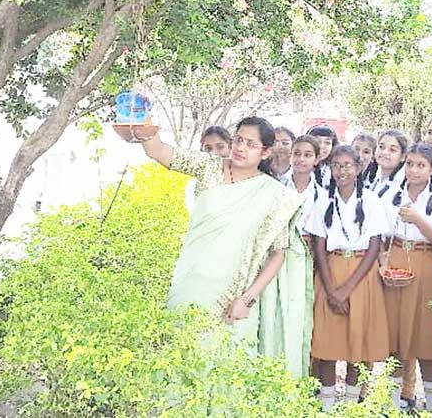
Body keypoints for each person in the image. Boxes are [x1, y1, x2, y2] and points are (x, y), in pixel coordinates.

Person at [126, 116, 312, 377]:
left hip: (235, 297)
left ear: (265, 152)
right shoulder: (209, 167)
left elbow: (278, 254)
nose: (240, 148)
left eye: (250, 144)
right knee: (180, 364)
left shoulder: (275, 195)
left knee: (227, 373)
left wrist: (247, 299)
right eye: (238, 140)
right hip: (191, 286)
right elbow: (159, 151)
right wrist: (144, 129)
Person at [307, 145, 390, 411]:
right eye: (336, 165)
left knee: (358, 344)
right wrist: (331, 290)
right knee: (327, 343)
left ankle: (351, 405)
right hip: (330, 272)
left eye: (347, 165)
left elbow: (374, 247)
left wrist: (346, 290)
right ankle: (327, 405)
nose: (341, 171)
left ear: (358, 168)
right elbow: (319, 246)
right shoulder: (323, 200)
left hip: (361, 275)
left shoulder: (371, 201)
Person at [383, 143, 432, 411]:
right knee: (397, 339)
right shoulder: (391, 193)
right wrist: (383, 262)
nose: (413, 170)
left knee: (427, 340)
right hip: (397, 263)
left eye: (421, 165)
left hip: (427, 265)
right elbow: (381, 236)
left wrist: (417, 219)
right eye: (410, 164)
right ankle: (393, 405)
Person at [184, 125, 232, 215]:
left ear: (230, 148)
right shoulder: (194, 185)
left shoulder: (246, 179)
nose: (214, 153)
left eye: (220, 147)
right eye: (208, 148)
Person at [365, 129, 408, 202]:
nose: (385, 152)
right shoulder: (372, 178)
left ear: (403, 156)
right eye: (381, 147)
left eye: (392, 150)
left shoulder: (406, 186)